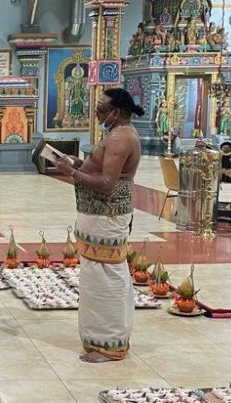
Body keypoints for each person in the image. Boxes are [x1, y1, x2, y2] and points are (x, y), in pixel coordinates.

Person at [55, 88, 143, 364]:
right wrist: (78, 163)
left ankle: (110, 345)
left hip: (107, 216)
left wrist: (70, 172)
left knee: (106, 278)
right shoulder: (116, 134)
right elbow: (99, 168)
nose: (97, 111)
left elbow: (106, 184)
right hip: (100, 217)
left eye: (102, 108)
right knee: (96, 276)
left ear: (117, 113)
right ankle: (100, 340)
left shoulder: (121, 138)